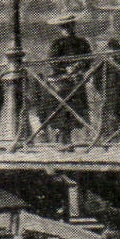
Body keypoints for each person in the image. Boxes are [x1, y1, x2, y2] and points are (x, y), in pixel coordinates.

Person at [44, 15, 93, 144]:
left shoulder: (82, 42)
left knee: (76, 109)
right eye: (64, 27)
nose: (67, 29)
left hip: (77, 80)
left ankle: (74, 138)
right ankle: (62, 138)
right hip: (62, 81)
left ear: (73, 26)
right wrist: (66, 69)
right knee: (62, 109)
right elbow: (53, 61)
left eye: (69, 26)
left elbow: (89, 59)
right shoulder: (57, 43)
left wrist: (80, 65)